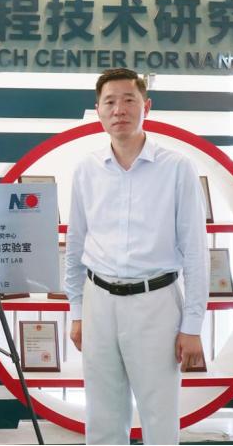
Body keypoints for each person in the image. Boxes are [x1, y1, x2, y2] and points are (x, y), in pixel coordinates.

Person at [64, 68, 209, 445]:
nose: (119, 110)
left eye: (129, 100)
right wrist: (77, 312)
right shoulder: (86, 169)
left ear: (146, 106)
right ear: (98, 110)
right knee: (102, 414)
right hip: (98, 301)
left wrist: (192, 325)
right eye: (109, 102)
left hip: (155, 301)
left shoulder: (176, 167)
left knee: (159, 412)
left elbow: (195, 251)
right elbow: (75, 246)